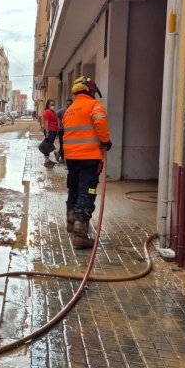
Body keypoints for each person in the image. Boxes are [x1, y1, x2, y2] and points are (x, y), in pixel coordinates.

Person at [63, 77, 111, 249]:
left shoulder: (70, 109)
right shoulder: (94, 105)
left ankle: (71, 222)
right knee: (87, 191)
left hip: (71, 158)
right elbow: (100, 121)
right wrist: (105, 140)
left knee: (74, 188)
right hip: (89, 157)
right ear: (90, 91)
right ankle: (80, 235)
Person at [56, 98, 73, 163]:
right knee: (62, 144)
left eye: (70, 104)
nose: (69, 105)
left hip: (70, 131)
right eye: (68, 104)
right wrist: (58, 126)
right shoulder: (62, 111)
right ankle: (62, 157)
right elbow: (55, 116)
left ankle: (60, 154)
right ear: (66, 104)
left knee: (68, 145)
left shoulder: (74, 111)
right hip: (62, 130)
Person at [42, 99, 59, 167]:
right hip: (50, 131)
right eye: (51, 104)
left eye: (53, 104)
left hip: (53, 131)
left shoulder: (53, 112)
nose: (52, 106)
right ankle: (46, 161)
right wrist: (47, 132)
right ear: (48, 105)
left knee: (49, 145)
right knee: (48, 146)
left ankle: (48, 160)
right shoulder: (47, 112)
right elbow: (46, 122)